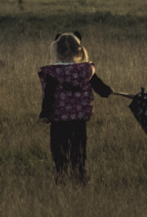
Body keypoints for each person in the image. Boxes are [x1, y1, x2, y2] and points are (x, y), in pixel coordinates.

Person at [37, 32, 114, 183]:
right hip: (79, 120)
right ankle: (79, 176)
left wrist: (44, 114)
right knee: (78, 149)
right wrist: (109, 92)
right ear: (79, 50)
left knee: (59, 149)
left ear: (56, 51)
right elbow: (102, 89)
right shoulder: (86, 70)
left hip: (59, 120)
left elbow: (49, 95)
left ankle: (61, 176)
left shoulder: (54, 73)